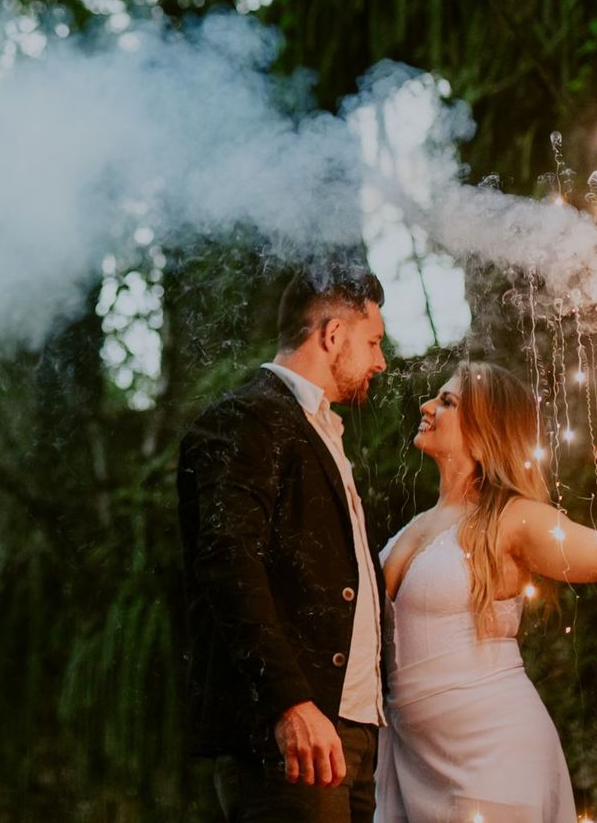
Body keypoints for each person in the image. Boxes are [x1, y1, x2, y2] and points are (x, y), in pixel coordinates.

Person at [374, 361, 597, 823]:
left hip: (493, 756)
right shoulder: (414, 525)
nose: (427, 406)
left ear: (486, 428)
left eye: (447, 401)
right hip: (412, 757)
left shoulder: (513, 517)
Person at [178, 260, 391, 822]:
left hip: (352, 731)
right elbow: (228, 563)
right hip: (295, 738)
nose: (381, 361)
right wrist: (290, 703)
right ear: (332, 334)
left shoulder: (323, 427)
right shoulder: (247, 417)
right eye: (373, 342)